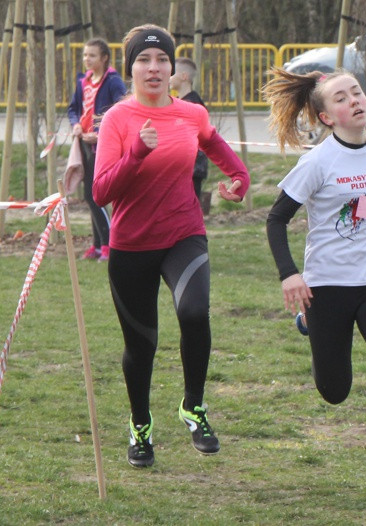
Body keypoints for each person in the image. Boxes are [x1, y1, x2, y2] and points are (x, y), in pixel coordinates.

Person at [263, 67, 366, 496]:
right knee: (335, 391)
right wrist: (289, 274)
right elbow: (276, 220)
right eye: (341, 98)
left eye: (357, 92)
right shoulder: (318, 162)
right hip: (326, 287)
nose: (354, 100)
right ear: (326, 117)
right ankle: (309, 321)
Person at [93, 24, 250, 468]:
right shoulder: (118, 120)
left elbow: (217, 147)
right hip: (132, 244)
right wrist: (136, 153)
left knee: (195, 312)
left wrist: (239, 178)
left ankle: (193, 407)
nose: (154, 68)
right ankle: (140, 425)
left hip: (184, 232)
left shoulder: (191, 114)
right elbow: (101, 191)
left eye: (162, 59)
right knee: (141, 346)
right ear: (131, 69)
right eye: (144, 60)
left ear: (172, 68)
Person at [67, 37, 127, 261]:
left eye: (92, 55)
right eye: (85, 55)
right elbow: (73, 108)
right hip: (83, 143)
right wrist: (75, 124)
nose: (87, 59)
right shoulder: (83, 81)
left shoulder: (113, 82)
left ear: (104, 58)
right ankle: (98, 245)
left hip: (101, 145)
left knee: (95, 195)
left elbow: (122, 110)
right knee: (89, 195)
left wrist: (101, 134)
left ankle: (109, 244)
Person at [169, 57, 209, 200]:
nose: (168, 76)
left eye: (172, 73)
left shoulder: (192, 105)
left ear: (184, 76)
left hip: (191, 169)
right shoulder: (181, 102)